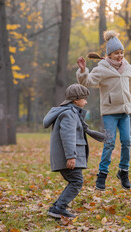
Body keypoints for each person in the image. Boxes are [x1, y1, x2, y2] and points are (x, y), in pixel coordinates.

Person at [76, 30, 131, 191]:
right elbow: (87, 82)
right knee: (109, 143)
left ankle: (123, 171)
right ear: (109, 55)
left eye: (121, 52)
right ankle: (102, 175)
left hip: (125, 112)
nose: (120, 56)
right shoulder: (102, 68)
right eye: (116, 53)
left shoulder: (127, 67)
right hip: (110, 112)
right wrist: (83, 71)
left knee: (127, 142)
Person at [43, 84, 107, 218]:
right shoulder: (69, 114)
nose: (86, 101)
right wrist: (71, 156)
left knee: (75, 181)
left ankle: (57, 207)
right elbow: (68, 136)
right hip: (69, 158)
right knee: (77, 182)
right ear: (76, 100)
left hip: (68, 157)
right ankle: (58, 208)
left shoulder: (70, 113)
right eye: (84, 98)